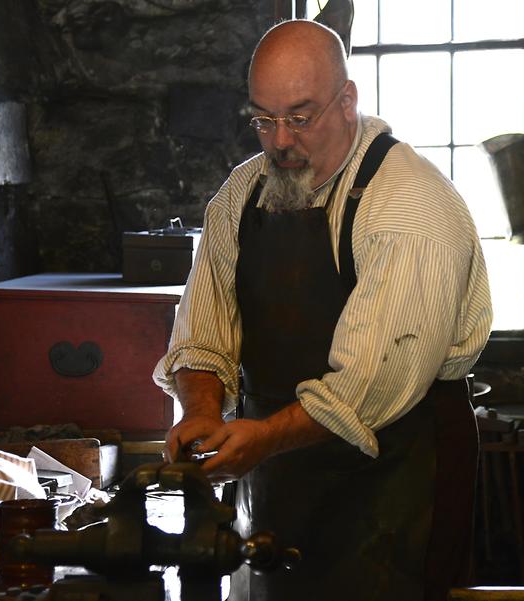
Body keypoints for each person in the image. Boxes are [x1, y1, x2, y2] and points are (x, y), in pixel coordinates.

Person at [153, 19, 492, 601]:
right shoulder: (242, 196)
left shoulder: (410, 208)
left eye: (300, 118)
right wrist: (204, 412)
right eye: (263, 119)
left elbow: (366, 386)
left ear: (347, 101)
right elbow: (204, 332)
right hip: (281, 470)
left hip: (395, 476)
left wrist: (262, 438)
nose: (279, 141)